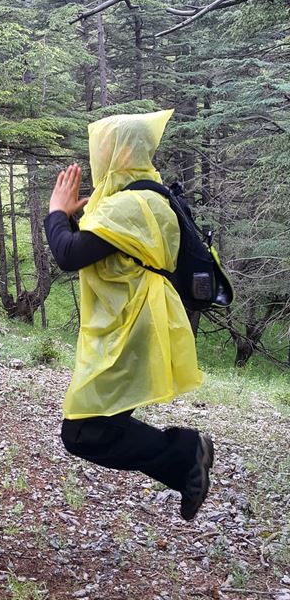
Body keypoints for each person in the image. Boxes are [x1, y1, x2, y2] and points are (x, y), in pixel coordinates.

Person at [44, 109, 214, 521]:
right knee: (91, 429)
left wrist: (55, 211)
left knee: (82, 431)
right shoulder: (141, 197)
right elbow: (96, 246)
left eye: (101, 150)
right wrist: (72, 216)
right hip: (135, 324)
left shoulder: (133, 205)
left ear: (116, 153)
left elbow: (69, 254)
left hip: (134, 327)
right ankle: (185, 462)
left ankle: (187, 454)